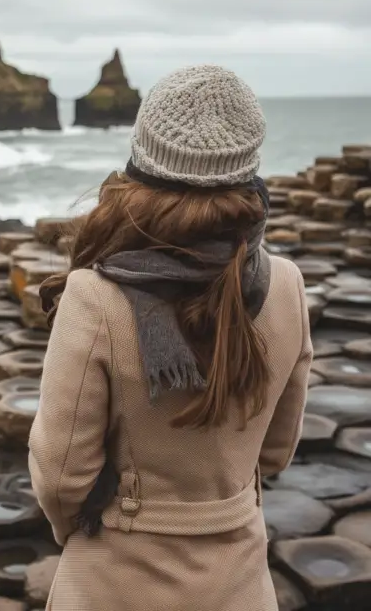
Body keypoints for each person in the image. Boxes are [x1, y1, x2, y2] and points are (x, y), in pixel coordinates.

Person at [28, 65, 313, 611]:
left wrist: (84, 535)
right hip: (240, 579)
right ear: (247, 168)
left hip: (114, 577)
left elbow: (61, 473)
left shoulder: (93, 295)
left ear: (142, 159)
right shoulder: (286, 284)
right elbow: (275, 451)